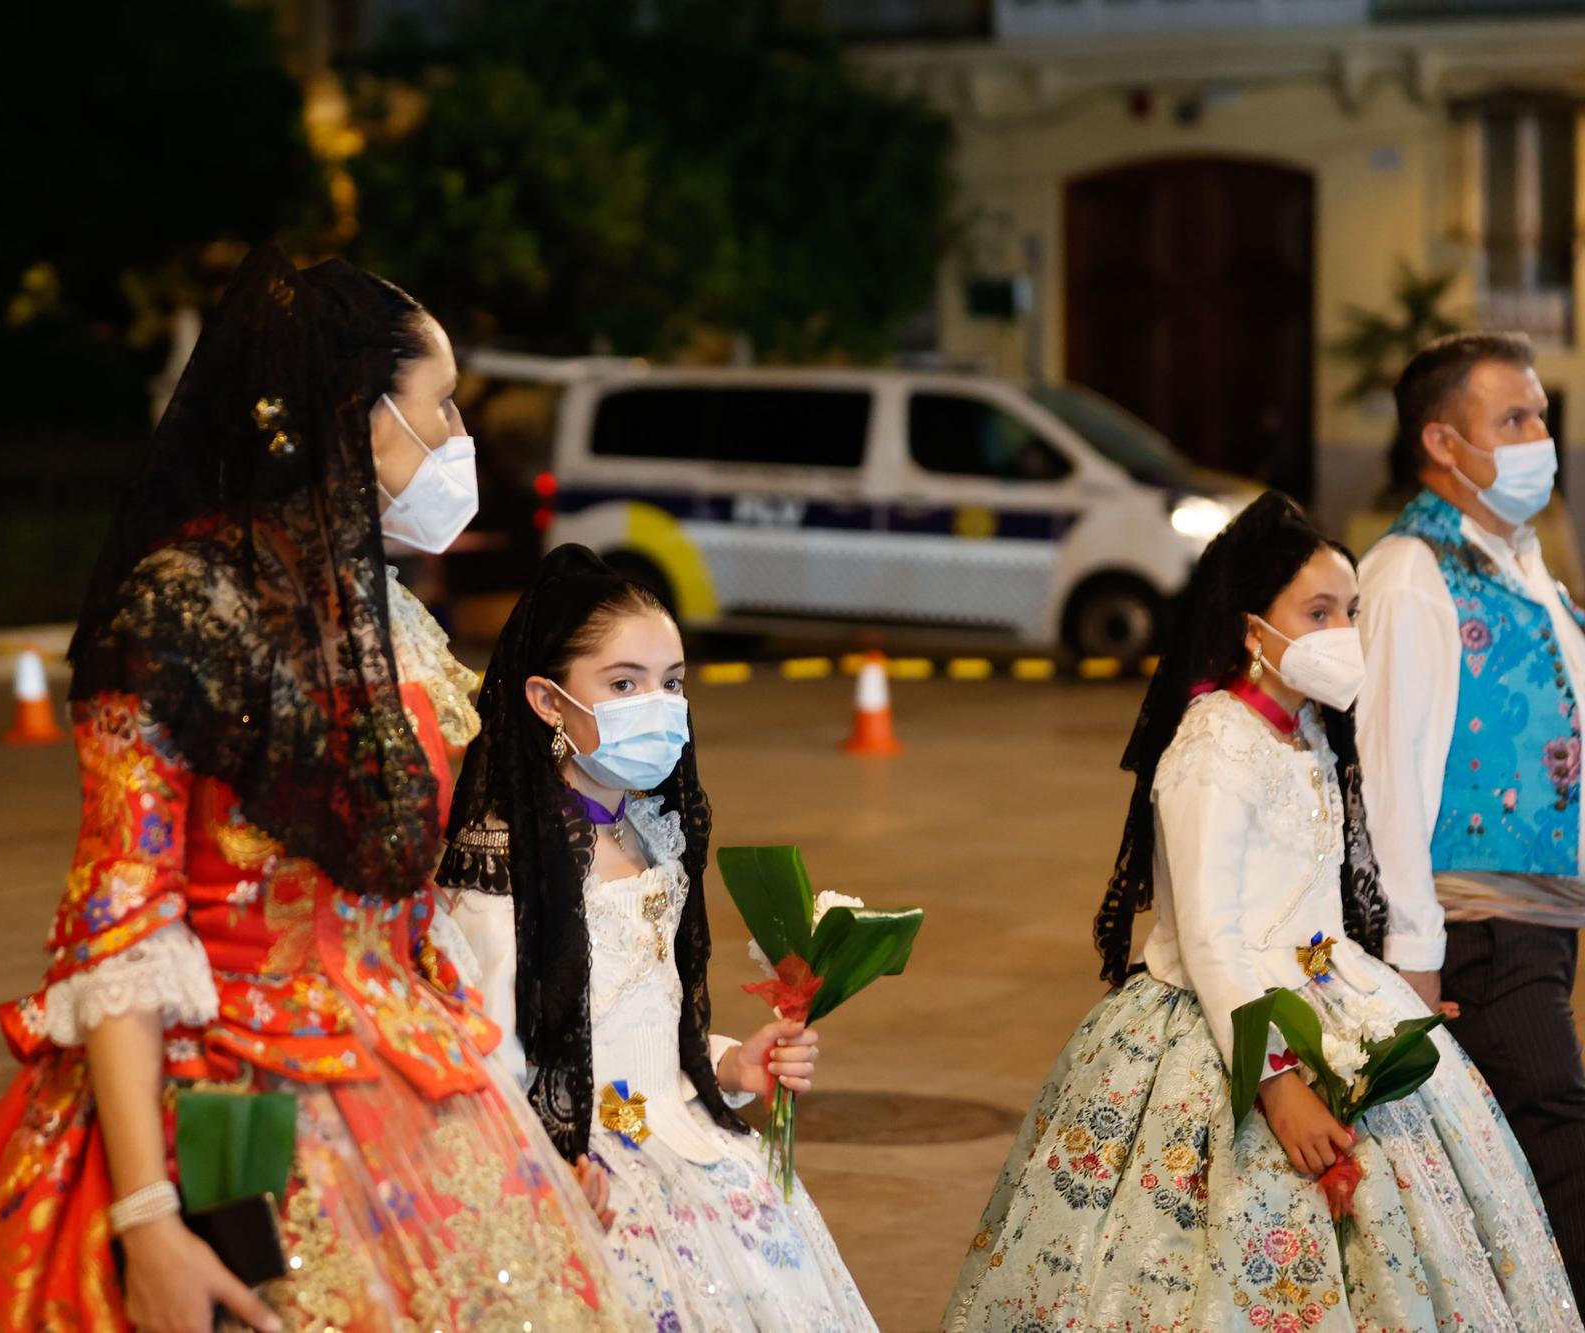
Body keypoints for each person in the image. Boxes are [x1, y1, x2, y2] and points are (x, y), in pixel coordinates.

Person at [0, 248, 631, 1333]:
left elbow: (415, 917)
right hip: (222, 1104)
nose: (460, 437)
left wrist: (519, 1092)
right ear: (353, 412)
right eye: (441, 404)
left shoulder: (387, 614)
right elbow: (118, 927)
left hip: (421, 1083)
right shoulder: (184, 612)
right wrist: (146, 1218)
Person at [943, 492, 1577, 1331]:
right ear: (1252, 628)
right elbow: (1211, 938)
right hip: (1230, 1029)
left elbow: (1317, 904)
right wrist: (1277, 1086)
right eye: (1317, 612)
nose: (1341, 633)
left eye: (1348, 612)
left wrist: (1382, 996)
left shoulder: (1307, 731)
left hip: (1326, 992)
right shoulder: (1213, 745)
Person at [434, 544, 878, 1332]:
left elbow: (650, 1023)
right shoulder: (502, 867)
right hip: (580, 1169)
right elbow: (488, 1057)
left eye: (672, 682)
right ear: (546, 700)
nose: (659, 705)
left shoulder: (651, 832)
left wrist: (728, 1063)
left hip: (673, 1137)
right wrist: (543, 1169)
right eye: (623, 683)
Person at [1357, 329, 1585, 1295]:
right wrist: (1414, 960)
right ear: (1444, 443)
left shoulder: (1523, 563)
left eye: (1541, 414)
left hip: (1542, 912)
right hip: (1476, 923)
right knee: (1558, 1130)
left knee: (1512, 1157)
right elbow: (1390, 776)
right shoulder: (1412, 572)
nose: (1543, 437)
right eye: (1517, 418)